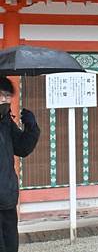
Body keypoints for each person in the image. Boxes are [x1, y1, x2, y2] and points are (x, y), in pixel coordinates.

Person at [0, 76, 40, 252]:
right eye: (0, 95)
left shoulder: (5, 122)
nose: (4, 99)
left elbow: (22, 148)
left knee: (9, 246)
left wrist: (31, 129)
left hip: (6, 197)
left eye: (8, 95)